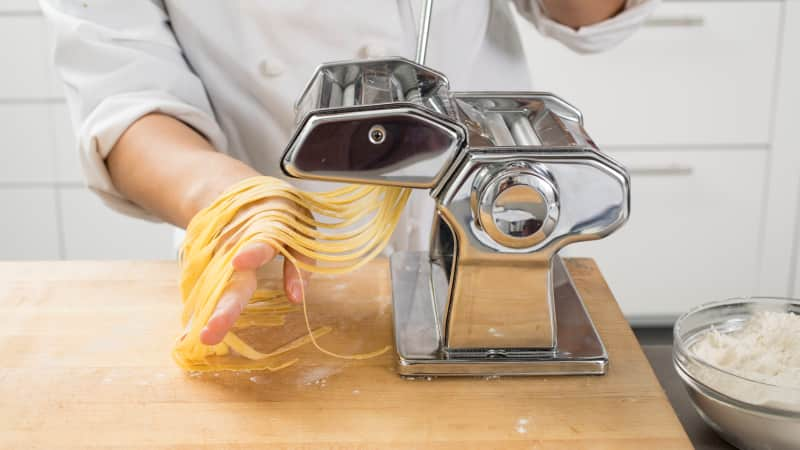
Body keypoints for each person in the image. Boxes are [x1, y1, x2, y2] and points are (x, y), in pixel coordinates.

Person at [40, 0, 658, 346]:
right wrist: (235, 203)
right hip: (268, 266)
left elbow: (587, 17)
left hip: (486, 229)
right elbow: (126, 99)